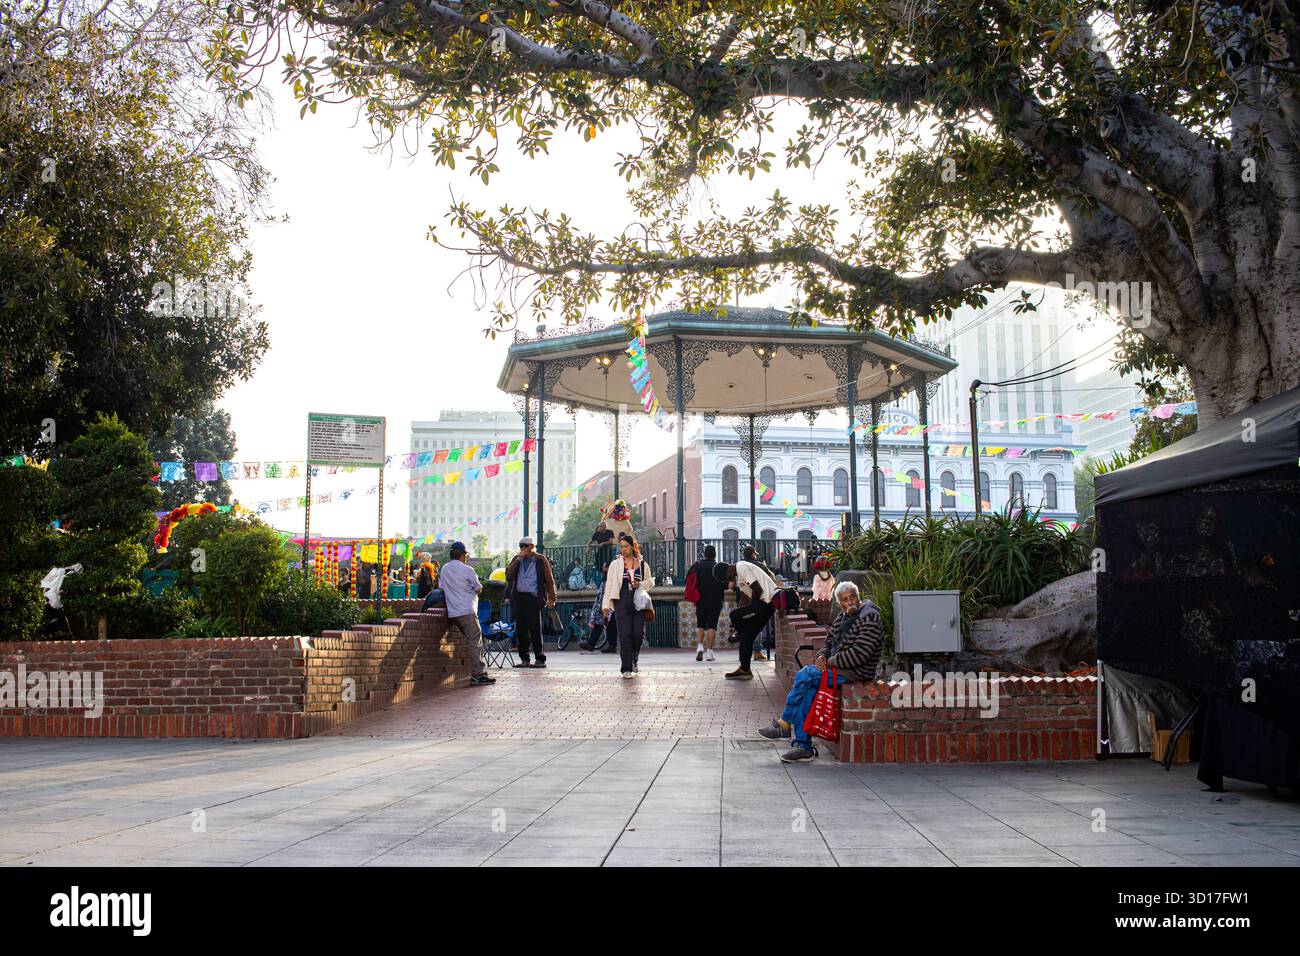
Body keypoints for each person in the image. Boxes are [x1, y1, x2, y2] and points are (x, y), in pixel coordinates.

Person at [759, 580, 884, 762]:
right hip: (838, 668)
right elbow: (828, 643)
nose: (850, 602)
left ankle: (784, 723)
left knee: (805, 675)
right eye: (845, 600)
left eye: (853, 597)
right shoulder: (842, 617)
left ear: (859, 597)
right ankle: (803, 747)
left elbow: (860, 655)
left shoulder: (869, 617)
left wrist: (831, 661)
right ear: (839, 603)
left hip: (855, 671)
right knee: (809, 690)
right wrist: (822, 656)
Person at [439, 541, 495, 686]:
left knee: (472, 641)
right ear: (463, 555)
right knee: (476, 642)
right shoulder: (468, 570)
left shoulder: (444, 569)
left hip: (453, 612)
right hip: (467, 610)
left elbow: (441, 587)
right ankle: (478, 674)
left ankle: (477, 672)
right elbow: (478, 588)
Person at [714, 554, 776, 680]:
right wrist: (741, 618)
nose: (728, 583)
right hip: (763, 605)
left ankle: (737, 634)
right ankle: (745, 669)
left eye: (726, 580)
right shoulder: (739, 577)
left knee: (733, 615)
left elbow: (757, 590)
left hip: (767, 602)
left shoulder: (741, 567)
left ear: (728, 571)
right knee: (746, 634)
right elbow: (743, 600)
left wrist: (747, 612)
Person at [602, 533, 653, 679]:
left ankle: (634, 657)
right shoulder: (615, 564)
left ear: (632, 547)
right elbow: (610, 585)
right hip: (621, 600)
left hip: (638, 601)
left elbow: (650, 582)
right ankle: (626, 667)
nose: (623, 549)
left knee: (638, 634)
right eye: (621, 547)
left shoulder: (643, 564)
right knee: (625, 635)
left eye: (626, 546)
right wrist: (606, 605)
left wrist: (640, 584)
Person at [505, 536, 556, 668]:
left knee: (535, 629)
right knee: (521, 630)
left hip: (533, 598)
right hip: (519, 597)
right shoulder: (517, 559)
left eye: (525, 546)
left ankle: (539, 658)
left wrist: (552, 598)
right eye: (521, 545)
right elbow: (508, 576)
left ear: (532, 547)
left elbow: (549, 579)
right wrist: (517, 561)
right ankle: (524, 659)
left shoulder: (540, 559)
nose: (523, 548)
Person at [686, 545, 726, 662]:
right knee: (712, 626)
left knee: (701, 624)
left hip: (700, 600)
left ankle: (699, 647)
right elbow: (725, 585)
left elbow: (691, 582)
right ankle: (709, 652)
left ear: (704, 554)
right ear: (714, 555)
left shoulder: (697, 566)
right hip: (715, 600)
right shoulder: (718, 567)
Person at [742, 544, 778, 662]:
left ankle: (744, 651)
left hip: (744, 597)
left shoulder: (740, 565)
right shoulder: (760, 565)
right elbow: (772, 578)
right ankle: (757, 651)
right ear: (753, 554)